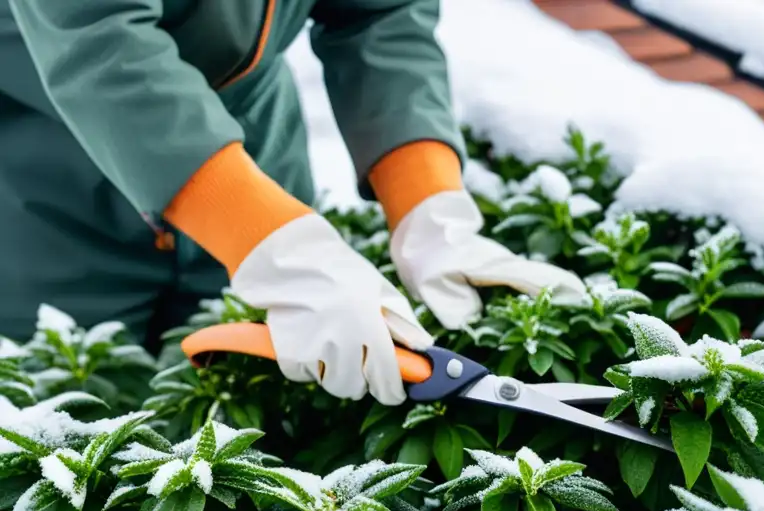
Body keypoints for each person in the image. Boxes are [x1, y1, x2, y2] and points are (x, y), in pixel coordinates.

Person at [0, 0, 586, 405]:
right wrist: (277, 248)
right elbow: (102, 41)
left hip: (255, 158)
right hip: (45, 195)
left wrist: (429, 208)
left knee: (244, 457)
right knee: (58, 451)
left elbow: (381, 16)